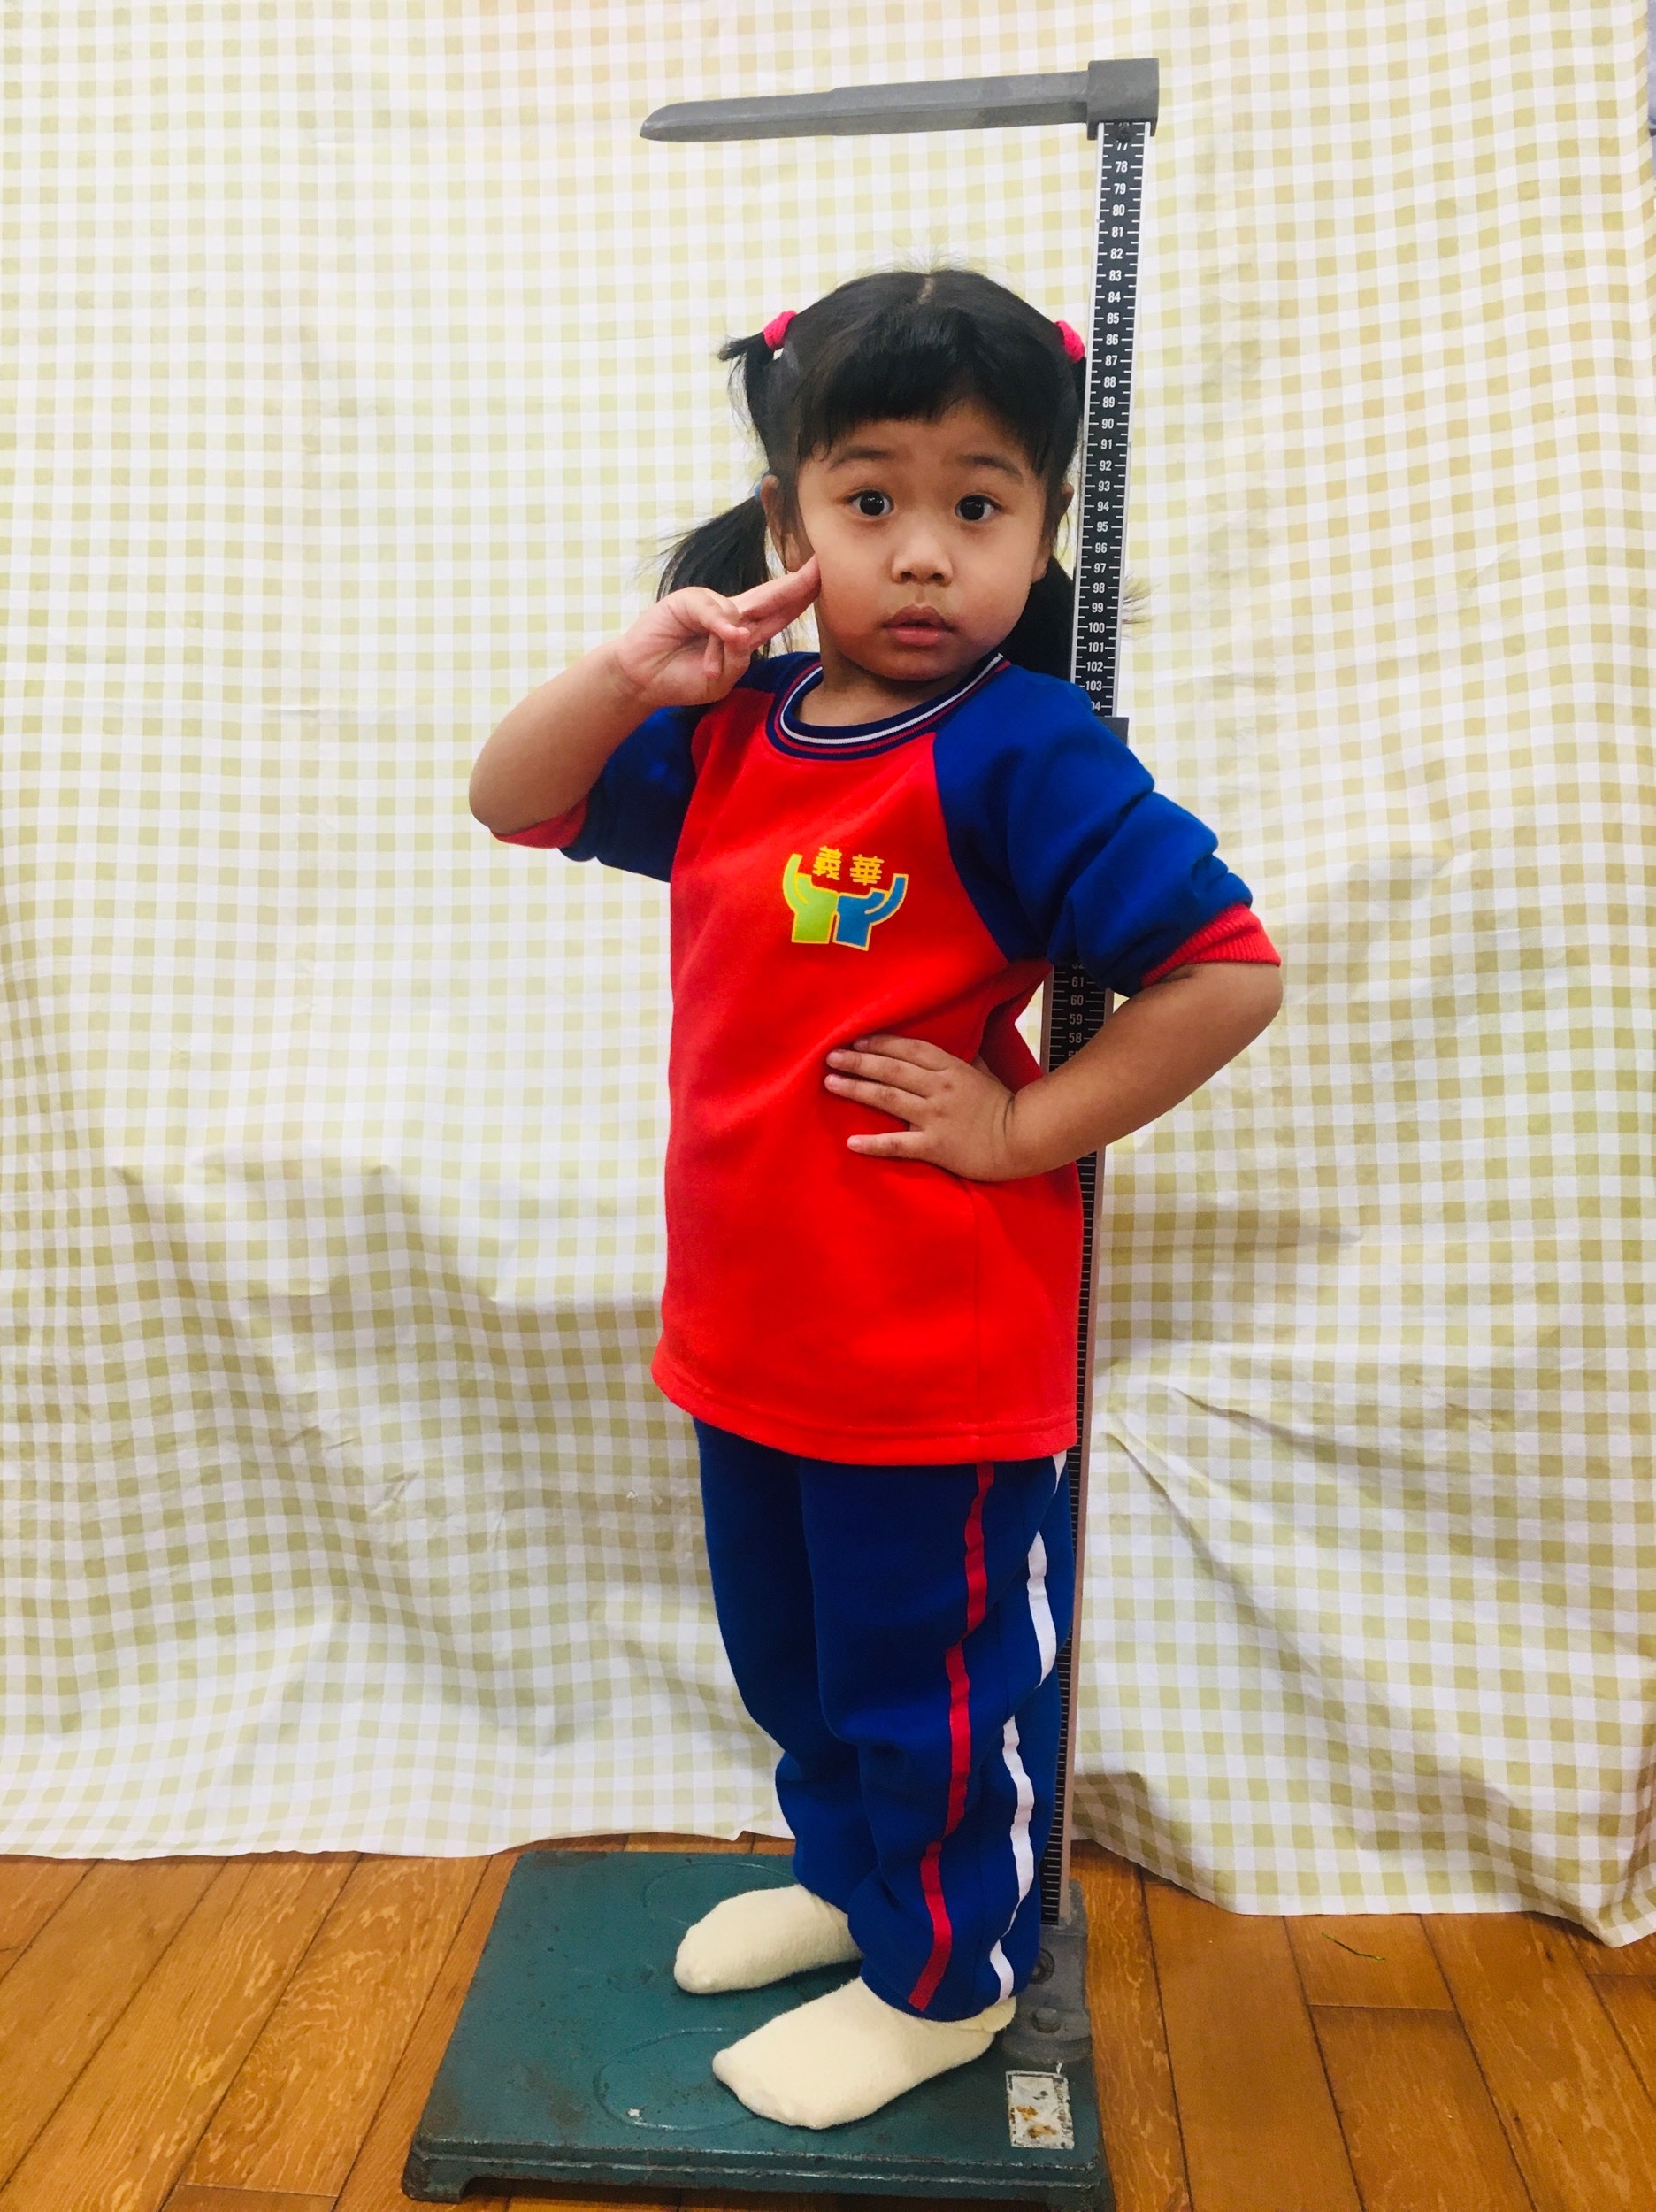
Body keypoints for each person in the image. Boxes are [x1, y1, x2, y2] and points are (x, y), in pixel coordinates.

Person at [469, 268, 1283, 2130]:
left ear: (1041, 530)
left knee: (932, 1685)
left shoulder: (1023, 748)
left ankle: (944, 1983)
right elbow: (510, 798)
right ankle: (854, 1887)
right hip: (749, 1330)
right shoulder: (732, 725)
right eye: (869, 500)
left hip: (932, 1351)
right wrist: (631, 670)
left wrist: (1022, 1127)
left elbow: (1223, 971)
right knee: (799, 1664)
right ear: (788, 524)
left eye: (977, 504)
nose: (922, 552)